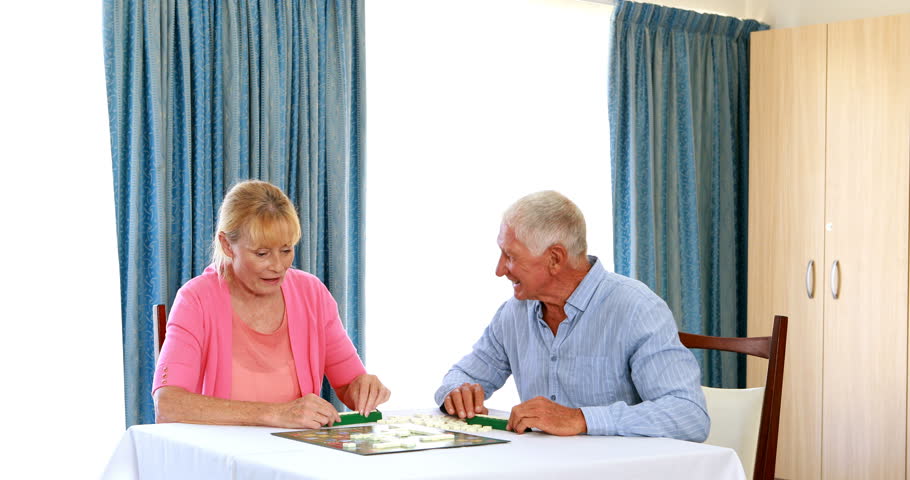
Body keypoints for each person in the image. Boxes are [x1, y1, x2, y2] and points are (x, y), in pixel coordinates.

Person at [435, 191, 709, 440]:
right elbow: (463, 375)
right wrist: (456, 393)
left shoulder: (637, 309)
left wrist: (581, 418)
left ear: (555, 258)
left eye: (510, 256)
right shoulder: (514, 313)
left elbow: (689, 416)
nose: (499, 270)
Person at [153, 180, 390, 428]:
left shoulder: (312, 294)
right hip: (222, 460)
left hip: (295, 455)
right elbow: (168, 405)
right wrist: (276, 414)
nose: (278, 266)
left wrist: (363, 388)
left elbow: (349, 383)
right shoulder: (196, 299)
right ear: (227, 245)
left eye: (286, 250)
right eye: (262, 254)